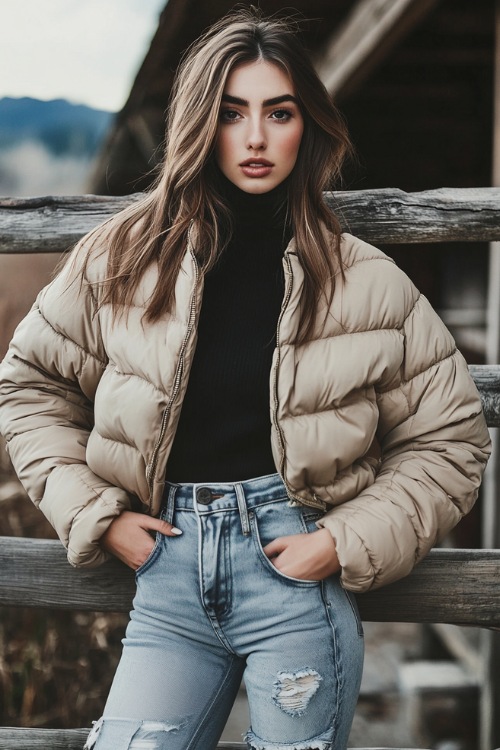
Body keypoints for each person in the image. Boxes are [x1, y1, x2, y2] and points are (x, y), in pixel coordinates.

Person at [0, 9, 491, 750]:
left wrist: (342, 541)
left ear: (308, 126)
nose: (256, 138)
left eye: (279, 112)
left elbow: (451, 442)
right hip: (166, 579)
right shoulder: (121, 258)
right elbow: (30, 387)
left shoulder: (368, 282)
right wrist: (100, 516)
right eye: (231, 113)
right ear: (200, 122)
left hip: (297, 579)